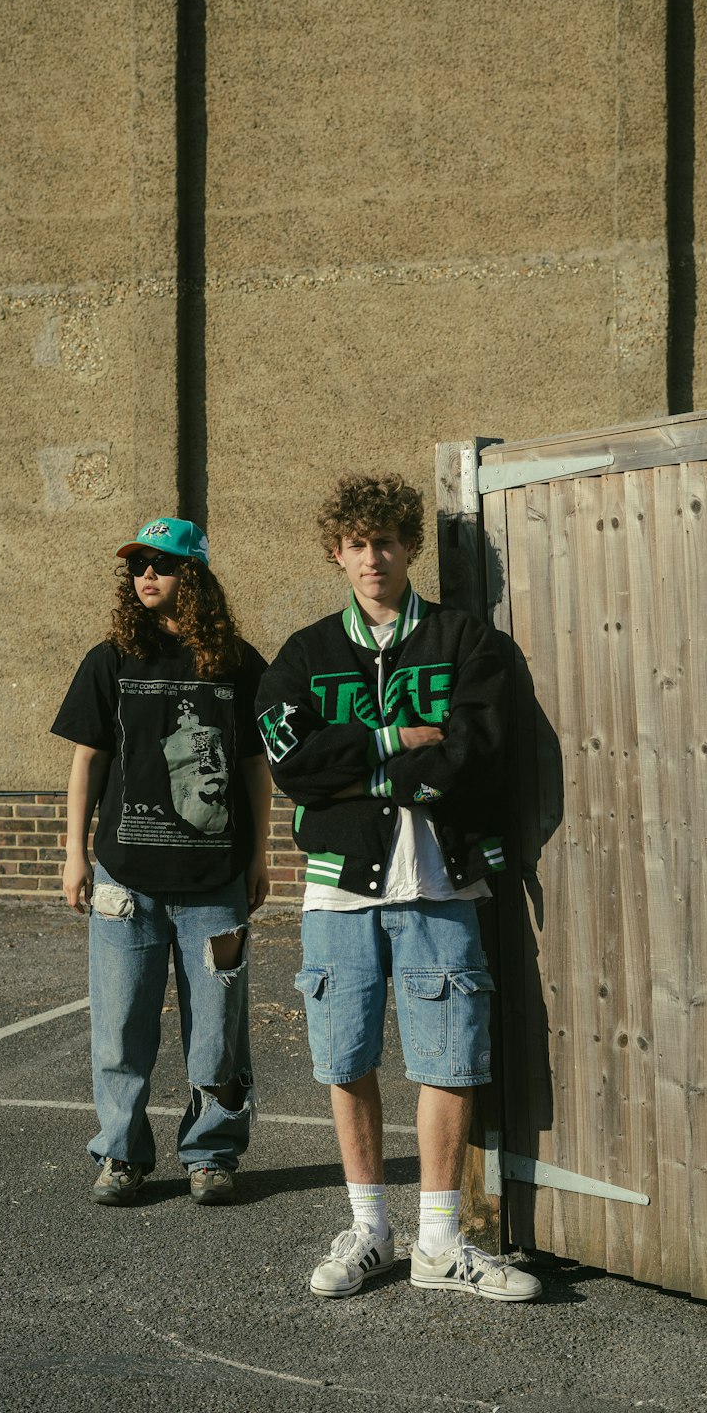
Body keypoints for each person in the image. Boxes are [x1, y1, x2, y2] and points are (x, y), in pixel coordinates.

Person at [257, 473, 541, 1301]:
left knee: (448, 1060)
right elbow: (291, 765)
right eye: (355, 545)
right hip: (338, 889)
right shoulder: (304, 656)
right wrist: (392, 738)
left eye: (385, 541)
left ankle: (439, 1242)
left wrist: (360, 773)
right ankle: (369, 1230)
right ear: (335, 554)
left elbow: (475, 757)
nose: (372, 557)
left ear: (410, 547)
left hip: (441, 879)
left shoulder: (466, 642)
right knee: (346, 1059)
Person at [52, 516, 271, 1207]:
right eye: (139, 564)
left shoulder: (238, 663)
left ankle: (211, 1154)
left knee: (218, 1035)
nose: (148, 574)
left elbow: (254, 766)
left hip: (214, 883)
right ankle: (121, 1156)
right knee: (119, 1029)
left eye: (164, 564)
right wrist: (74, 855)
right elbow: (87, 760)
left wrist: (262, 854)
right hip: (125, 879)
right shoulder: (111, 659)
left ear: (195, 577)